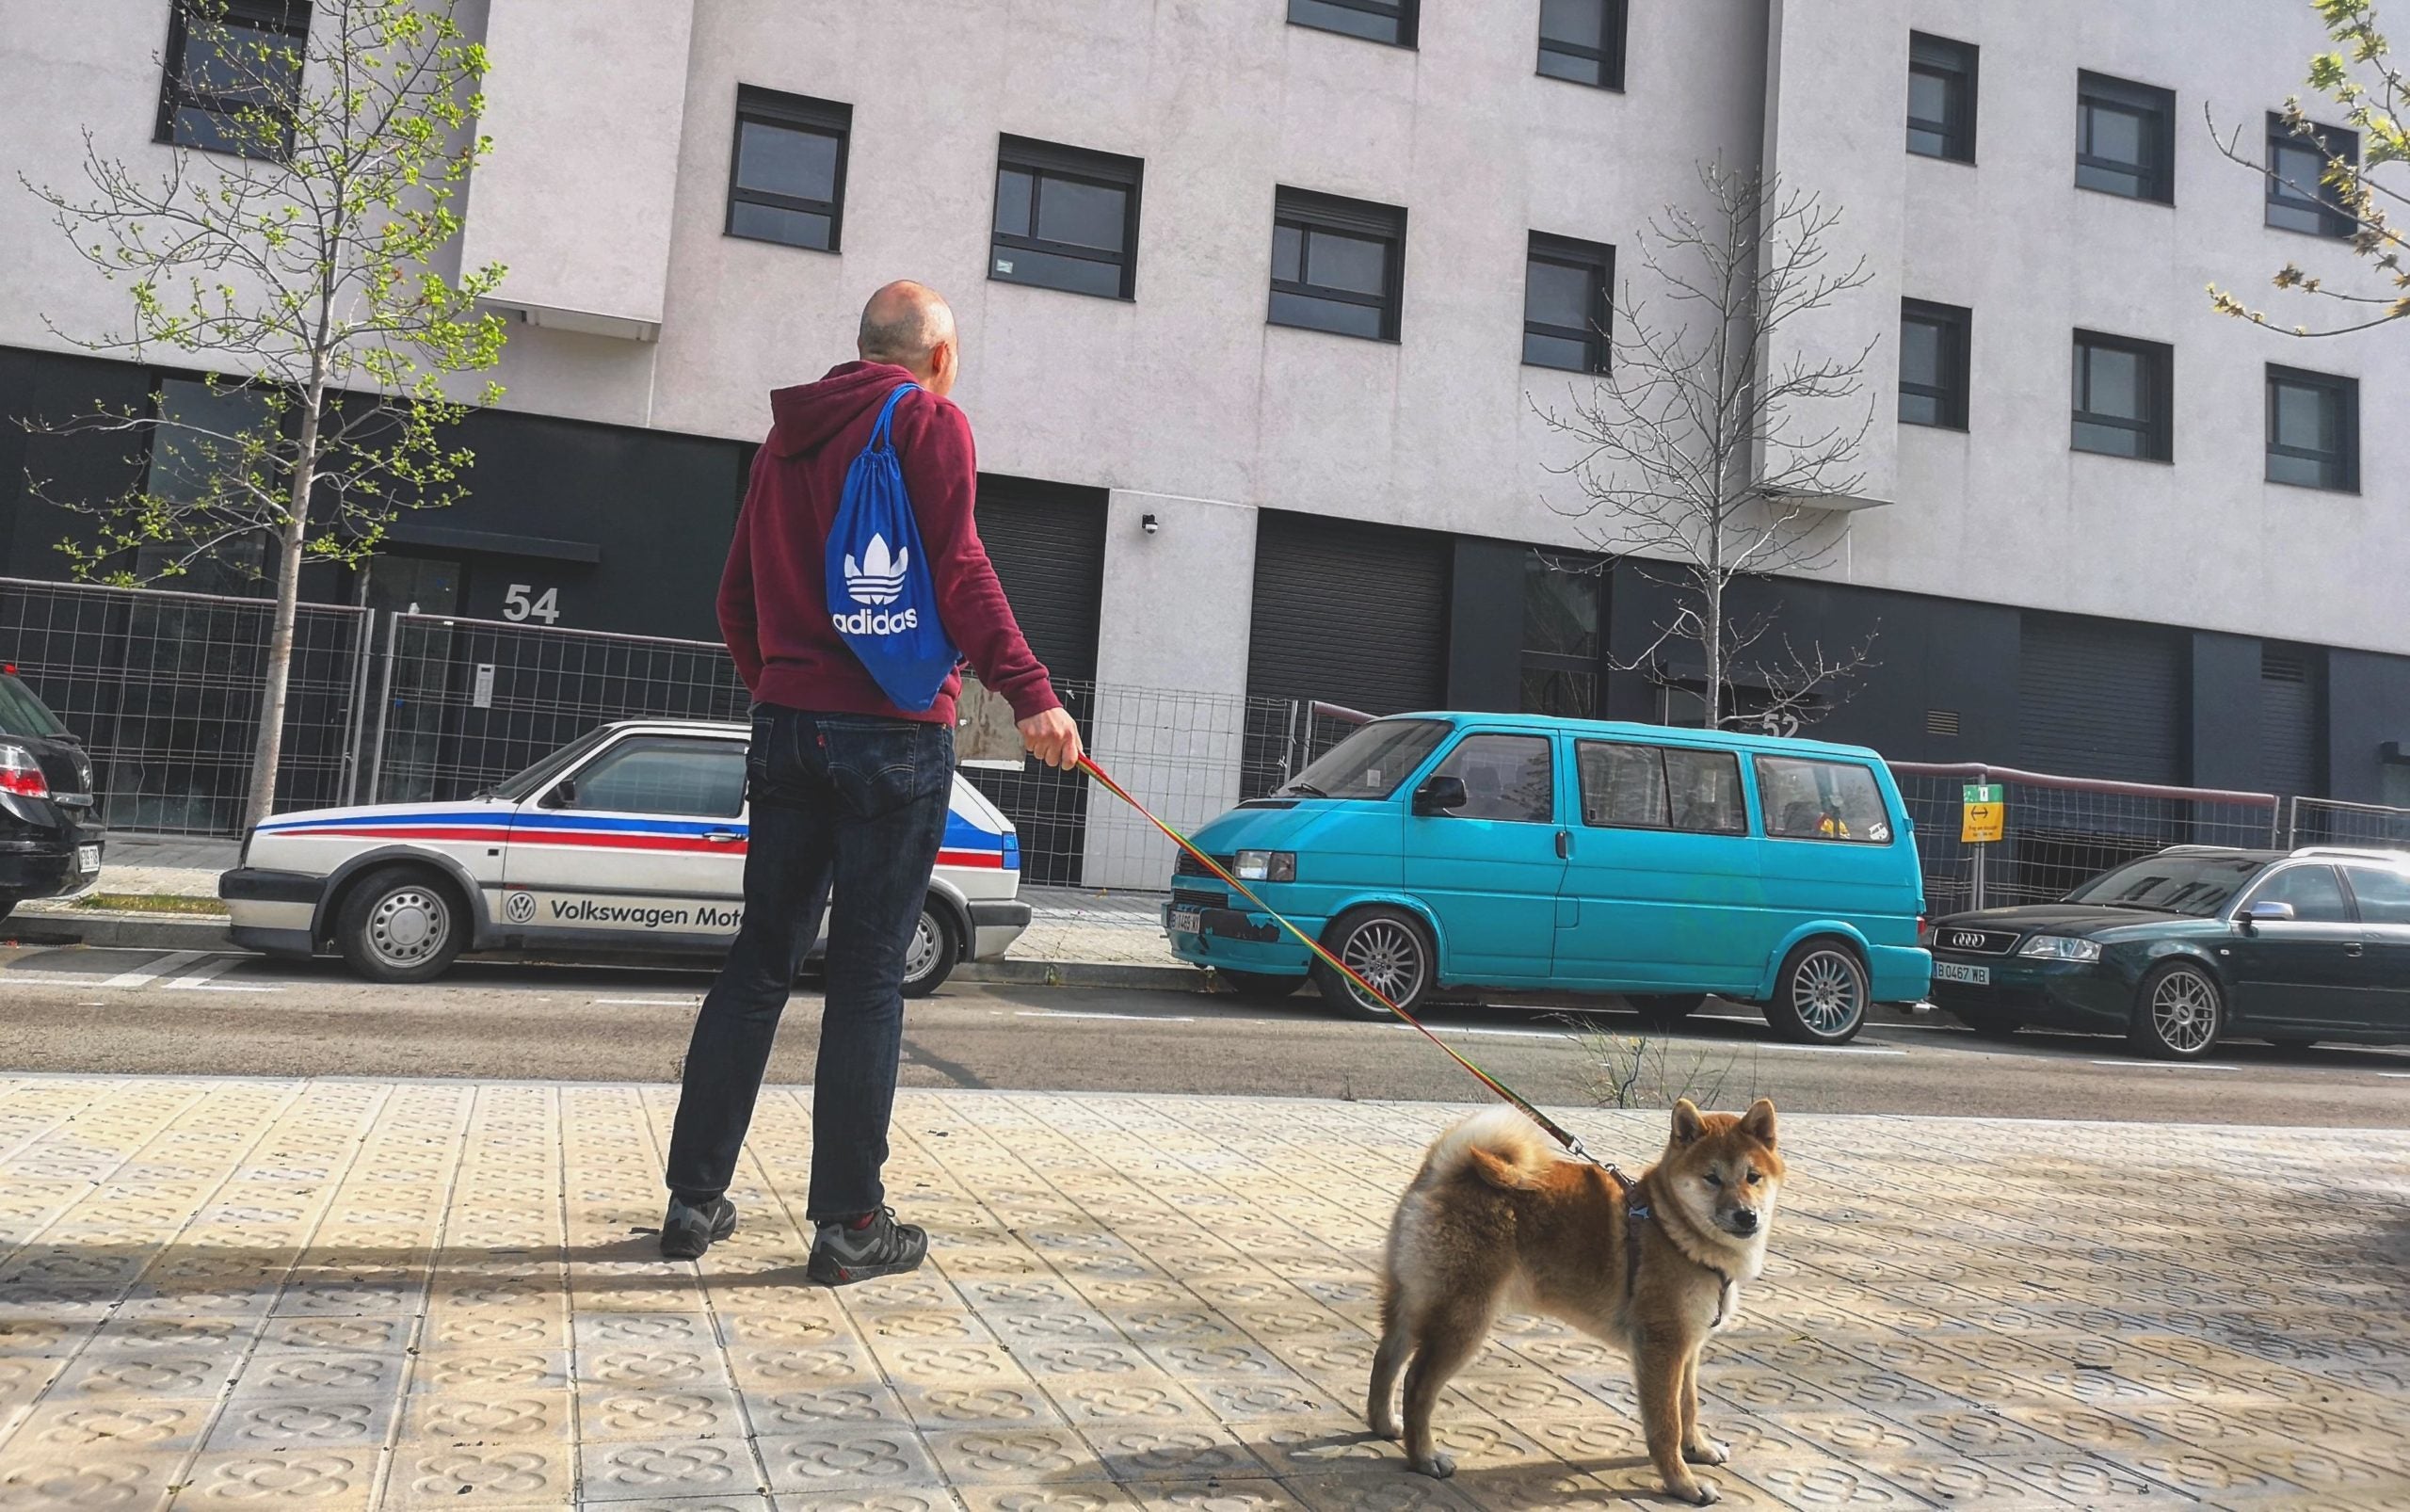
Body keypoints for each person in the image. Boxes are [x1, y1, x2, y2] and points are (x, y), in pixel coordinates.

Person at [661, 281, 1083, 1283]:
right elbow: (959, 566)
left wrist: (784, 688)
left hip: (787, 727)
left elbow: (734, 596)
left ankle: (692, 1202)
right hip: (890, 736)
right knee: (864, 975)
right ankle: (850, 1223)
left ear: (860, 348)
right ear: (936, 355)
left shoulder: (783, 441)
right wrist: (1030, 692)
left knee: (760, 961)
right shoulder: (929, 423)